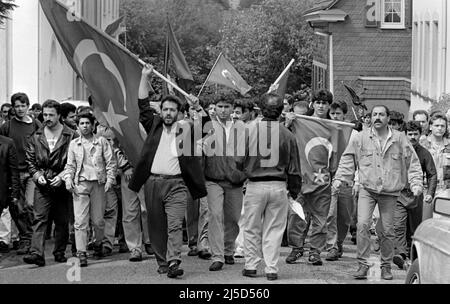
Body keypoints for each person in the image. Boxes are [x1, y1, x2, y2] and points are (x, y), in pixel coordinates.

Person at [128, 64, 208, 278]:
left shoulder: (186, 129)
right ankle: (162, 262)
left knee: (174, 224)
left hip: (177, 185)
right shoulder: (153, 124)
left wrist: (198, 108)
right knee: (156, 227)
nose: (169, 113)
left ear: (179, 112)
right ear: (161, 112)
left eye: (173, 110)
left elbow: (206, 128)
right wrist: (145, 76)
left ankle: (174, 261)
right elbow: (142, 104)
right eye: (165, 109)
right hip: (153, 183)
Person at [333, 105, 423, 280]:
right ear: (371, 118)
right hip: (368, 189)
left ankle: (386, 265)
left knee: (388, 231)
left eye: (382, 114)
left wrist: (416, 183)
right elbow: (348, 159)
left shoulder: (400, 139)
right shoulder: (360, 138)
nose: (378, 117)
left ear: (388, 118)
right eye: (375, 114)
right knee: (362, 225)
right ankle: (363, 264)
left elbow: (413, 163)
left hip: (390, 192)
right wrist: (339, 178)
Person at [236, 93, 302, 281]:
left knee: (251, 227)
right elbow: (295, 168)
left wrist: (247, 169)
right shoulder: (288, 135)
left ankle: (250, 265)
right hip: (278, 185)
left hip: (255, 185)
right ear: (282, 111)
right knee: (274, 229)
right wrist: (294, 191)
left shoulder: (249, 130)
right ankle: (271, 268)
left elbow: (238, 160)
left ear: (260, 109)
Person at [22, 100, 77, 266]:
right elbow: (30, 160)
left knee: (61, 220)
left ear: (59, 115)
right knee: (39, 218)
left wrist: (62, 176)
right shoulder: (37, 135)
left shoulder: (71, 134)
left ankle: (59, 251)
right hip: (43, 182)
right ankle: (36, 253)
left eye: (51, 115)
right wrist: (37, 174)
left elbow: (75, 159)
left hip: (61, 181)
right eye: (45, 114)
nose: (47, 118)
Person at [63, 112, 117, 267]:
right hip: (80, 184)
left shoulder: (101, 142)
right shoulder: (74, 144)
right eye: (81, 123)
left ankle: (98, 243)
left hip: (98, 184)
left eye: (87, 123)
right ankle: (81, 252)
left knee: (98, 220)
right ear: (78, 126)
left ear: (93, 125)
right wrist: (68, 179)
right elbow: (70, 164)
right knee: (80, 221)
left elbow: (111, 162)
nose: (85, 126)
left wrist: (110, 180)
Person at [202, 93, 247, 272]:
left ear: (232, 108)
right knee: (214, 215)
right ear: (215, 107)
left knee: (233, 218)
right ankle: (217, 256)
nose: (223, 110)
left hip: (235, 179)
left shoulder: (241, 126)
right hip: (213, 178)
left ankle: (229, 250)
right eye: (220, 106)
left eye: (226, 106)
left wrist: (244, 172)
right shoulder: (207, 126)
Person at [0, 93, 42, 255]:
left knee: (30, 205)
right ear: (13, 108)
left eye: (23, 105)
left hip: (32, 171)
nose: (20, 109)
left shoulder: (35, 124)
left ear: (28, 106)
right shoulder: (7, 126)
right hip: (14, 173)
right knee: (17, 208)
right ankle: (26, 238)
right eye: (17, 106)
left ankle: (34, 237)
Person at [393, 121, 437, 270]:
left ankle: (413, 258)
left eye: (415, 134)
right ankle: (400, 254)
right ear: (405, 134)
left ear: (420, 134)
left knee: (413, 228)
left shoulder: (424, 153)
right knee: (398, 225)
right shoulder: (398, 150)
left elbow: (432, 174)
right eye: (409, 134)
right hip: (398, 194)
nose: (412, 137)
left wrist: (430, 193)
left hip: (416, 195)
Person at [325, 101, 355, 261]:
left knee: (344, 217)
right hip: (329, 179)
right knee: (330, 214)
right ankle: (332, 246)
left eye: (338, 114)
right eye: (332, 114)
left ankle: (340, 242)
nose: (335, 117)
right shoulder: (325, 130)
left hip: (346, 180)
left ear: (344, 115)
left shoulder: (353, 133)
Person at [0, 135, 20, 253]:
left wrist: (15, 192)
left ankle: (4, 240)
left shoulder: (7, 143)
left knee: (5, 211)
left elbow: (13, 170)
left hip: (3, 186)